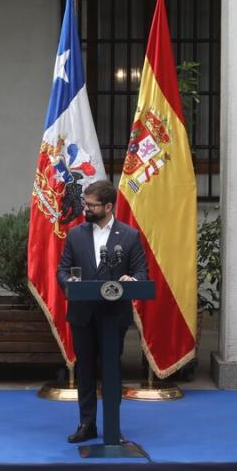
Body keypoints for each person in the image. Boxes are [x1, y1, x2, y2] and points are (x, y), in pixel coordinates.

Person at [56, 180, 147, 443]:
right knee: (85, 369)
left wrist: (132, 279)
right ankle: (87, 424)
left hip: (113, 315)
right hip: (82, 314)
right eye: (85, 203)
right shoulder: (75, 234)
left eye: (91, 205)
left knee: (111, 370)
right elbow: (62, 269)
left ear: (108, 206)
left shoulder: (129, 236)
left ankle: (112, 426)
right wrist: (67, 282)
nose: (85, 208)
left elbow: (142, 272)